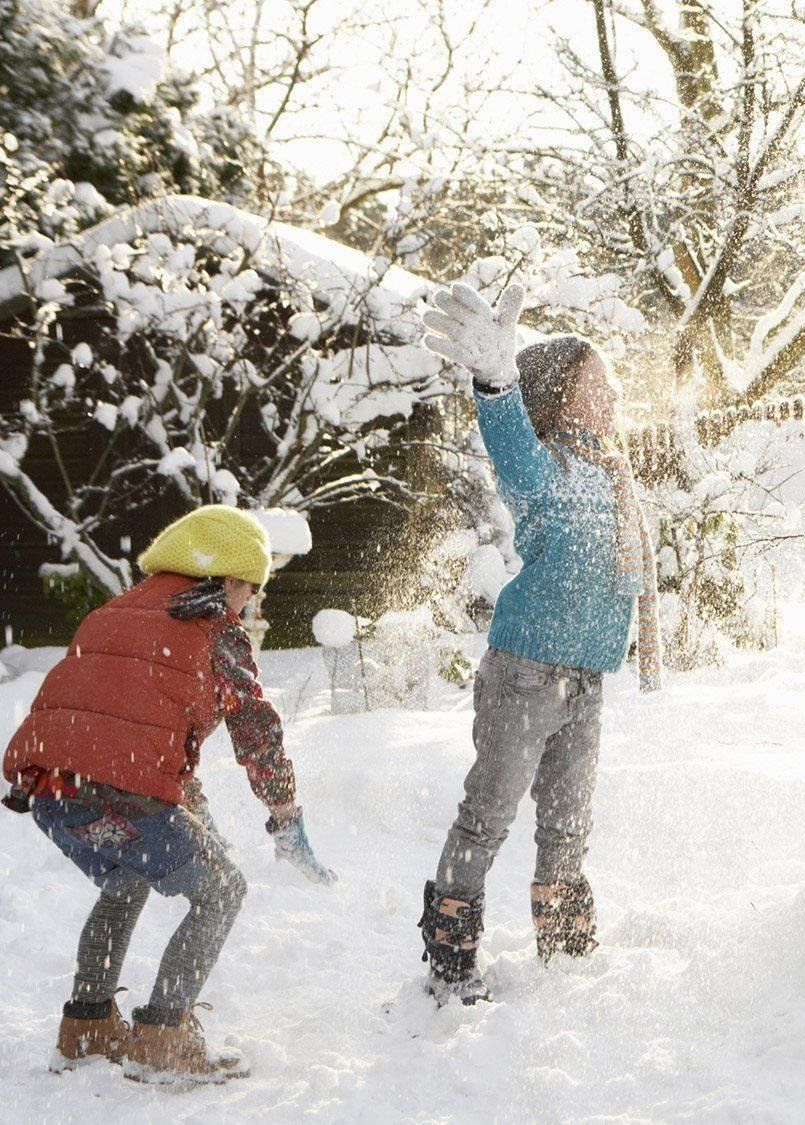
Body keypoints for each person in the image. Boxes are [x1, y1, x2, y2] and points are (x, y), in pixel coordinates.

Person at [3, 505, 338, 1085]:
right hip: (123, 785)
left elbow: (121, 719)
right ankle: (163, 1034)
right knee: (222, 891)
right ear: (228, 578)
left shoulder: (119, 610)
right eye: (250, 591)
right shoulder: (213, 627)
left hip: (53, 788)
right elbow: (255, 727)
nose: (249, 606)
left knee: (127, 879)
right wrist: (284, 809)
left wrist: (184, 801)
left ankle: (87, 1026)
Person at [416, 283, 663, 1005]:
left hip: (585, 678)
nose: (615, 393)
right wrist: (496, 383)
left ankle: (564, 945)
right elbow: (509, 446)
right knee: (489, 809)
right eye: (600, 383)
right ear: (559, 394)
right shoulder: (544, 468)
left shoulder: (613, 476)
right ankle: (452, 950)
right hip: (525, 672)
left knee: (567, 820)